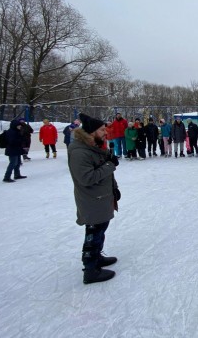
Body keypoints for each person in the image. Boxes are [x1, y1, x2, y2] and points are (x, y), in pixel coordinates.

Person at [68, 113, 119, 284]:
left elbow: (102, 170)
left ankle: (96, 257)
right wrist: (110, 164)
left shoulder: (93, 146)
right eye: (102, 130)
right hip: (92, 200)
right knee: (93, 232)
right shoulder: (80, 152)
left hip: (101, 197)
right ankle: (90, 269)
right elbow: (87, 178)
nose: (106, 132)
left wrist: (114, 189)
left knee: (100, 229)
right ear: (91, 132)